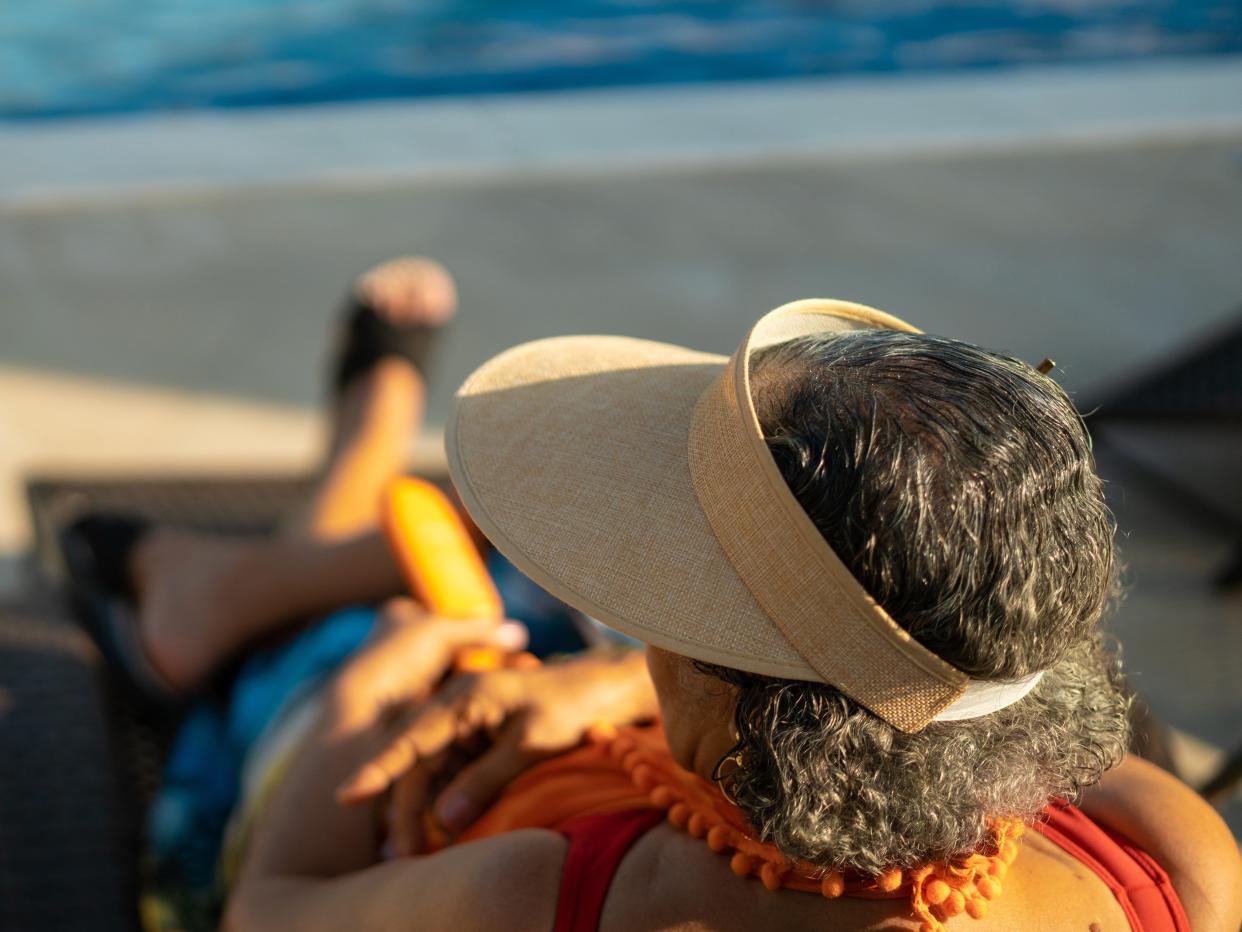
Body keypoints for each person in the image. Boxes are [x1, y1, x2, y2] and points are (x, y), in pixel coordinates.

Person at [71, 261, 1242, 931]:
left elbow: (269, 912)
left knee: (365, 642)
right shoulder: (1172, 866)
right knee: (523, 590)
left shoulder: (542, 895)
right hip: (675, 733)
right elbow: (945, 699)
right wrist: (606, 681)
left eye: (665, 610)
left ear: (721, 704)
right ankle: (317, 510)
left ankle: (245, 573)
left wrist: (357, 716)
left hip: (392, 782)